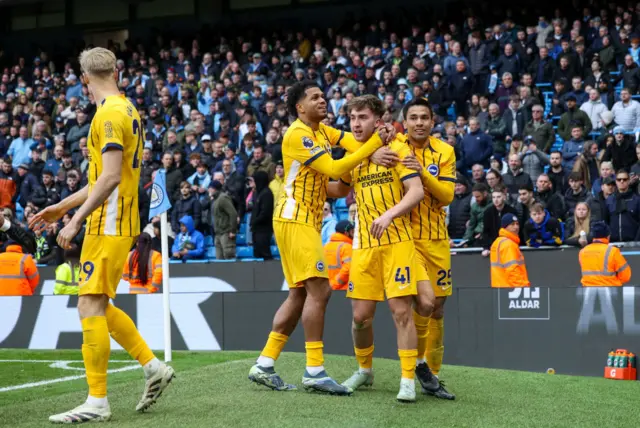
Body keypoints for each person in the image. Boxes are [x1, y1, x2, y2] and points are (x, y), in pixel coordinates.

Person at [29, 48, 174, 424]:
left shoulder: (107, 115)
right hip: (117, 221)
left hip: (107, 223)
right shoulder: (125, 109)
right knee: (99, 304)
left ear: (83, 79)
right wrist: (62, 207)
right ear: (116, 71)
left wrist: (75, 221)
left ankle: (97, 401)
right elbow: (105, 177)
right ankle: (152, 366)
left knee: (89, 304)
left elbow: (109, 178)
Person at [248, 80, 389, 395]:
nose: (323, 100)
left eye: (324, 95)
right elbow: (336, 164)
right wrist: (373, 145)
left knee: (299, 294)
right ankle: (314, 370)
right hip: (295, 217)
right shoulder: (298, 134)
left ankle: (265, 363)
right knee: (321, 290)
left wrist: (376, 145)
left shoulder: (324, 132)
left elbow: (341, 179)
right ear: (300, 107)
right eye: (315, 97)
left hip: (302, 221)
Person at [327, 95, 425, 402]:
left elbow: (416, 191)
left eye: (363, 117)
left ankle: (408, 378)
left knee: (401, 311)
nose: (356, 124)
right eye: (353, 118)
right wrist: (303, 179)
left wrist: (388, 214)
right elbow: (339, 188)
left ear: (378, 120)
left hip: (397, 241)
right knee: (360, 317)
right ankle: (365, 371)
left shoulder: (397, 149)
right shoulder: (354, 154)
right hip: (365, 247)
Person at [368, 97, 455, 399]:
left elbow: (446, 196)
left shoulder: (445, 152)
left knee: (438, 310)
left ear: (433, 122)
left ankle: (433, 374)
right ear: (404, 122)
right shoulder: (393, 146)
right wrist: (377, 150)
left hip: (437, 240)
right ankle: (419, 366)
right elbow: (366, 147)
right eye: (413, 117)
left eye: (424, 118)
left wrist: (423, 171)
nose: (419, 122)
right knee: (424, 304)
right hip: (407, 239)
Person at [579, 221, 631, 286]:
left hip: (587, 290)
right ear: (608, 236)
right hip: (610, 290)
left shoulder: (583, 251)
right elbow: (626, 276)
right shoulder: (613, 251)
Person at [489, 214, 530, 288]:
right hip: (511, 290)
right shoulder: (508, 244)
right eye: (512, 224)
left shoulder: (498, 242)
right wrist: (523, 289)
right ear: (505, 227)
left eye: (517, 224)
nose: (516, 227)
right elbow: (512, 270)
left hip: (500, 288)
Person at [209, 181, 238, 260]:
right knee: (219, 260)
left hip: (226, 233)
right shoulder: (215, 200)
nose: (209, 190)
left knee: (229, 256)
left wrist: (232, 230)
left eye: (210, 188)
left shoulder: (223, 198)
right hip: (218, 233)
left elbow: (233, 214)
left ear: (214, 189)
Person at [324, 219, 353, 291]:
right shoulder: (347, 247)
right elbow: (347, 269)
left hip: (326, 290)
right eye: (352, 231)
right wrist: (334, 284)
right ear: (346, 233)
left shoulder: (325, 246)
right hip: (342, 290)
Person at [250, 170, 274, 260]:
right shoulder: (257, 193)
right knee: (257, 254)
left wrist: (254, 221)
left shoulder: (267, 193)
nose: (253, 182)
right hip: (256, 229)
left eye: (254, 180)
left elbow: (265, 213)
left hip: (264, 230)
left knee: (265, 253)